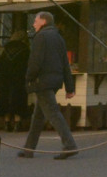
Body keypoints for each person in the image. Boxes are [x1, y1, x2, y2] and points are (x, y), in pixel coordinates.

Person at [19, 11, 78, 158]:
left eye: (36, 21)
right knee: (38, 116)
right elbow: (66, 64)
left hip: (42, 81)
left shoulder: (40, 37)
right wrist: (69, 87)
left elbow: (35, 62)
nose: (33, 24)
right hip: (55, 81)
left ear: (43, 22)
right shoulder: (58, 38)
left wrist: (28, 78)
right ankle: (29, 148)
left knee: (53, 114)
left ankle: (69, 145)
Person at [0, 28, 31, 131]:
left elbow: (0, 65)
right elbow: (28, 65)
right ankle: (17, 122)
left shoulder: (5, 49)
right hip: (19, 78)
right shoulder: (25, 49)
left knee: (5, 99)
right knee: (18, 99)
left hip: (5, 79)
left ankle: (6, 123)